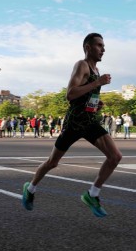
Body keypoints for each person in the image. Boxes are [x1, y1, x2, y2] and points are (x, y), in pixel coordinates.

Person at [22, 33, 122, 217]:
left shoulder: (97, 70)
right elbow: (70, 94)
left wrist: (96, 103)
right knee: (53, 162)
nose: (103, 49)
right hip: (74, 123)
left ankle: (92, 194)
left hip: (89, 121)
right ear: (88, 47)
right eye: (99, 45)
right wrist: (98, 83)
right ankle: (31, 188)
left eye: (103, 45)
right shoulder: (81, 65)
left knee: (115, 156)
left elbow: (85, 95)